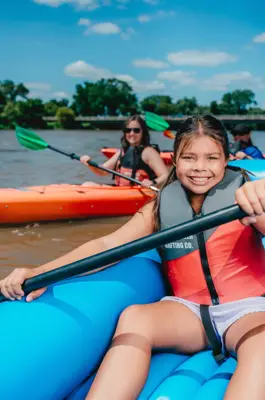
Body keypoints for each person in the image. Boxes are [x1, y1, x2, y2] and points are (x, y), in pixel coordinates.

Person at [2, 115, 265, 400]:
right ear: (174, 161)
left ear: (226, 159)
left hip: (246, 311)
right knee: (135, 317)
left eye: (211, 158)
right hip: (189, 313)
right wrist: (40, 271)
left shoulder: (247, 193)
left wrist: (260, 204)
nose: (200, 168)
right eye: (189, 157)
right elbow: (109, 243)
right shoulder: (160, 207)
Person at [80, 115, 169, 188]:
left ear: (143, 132)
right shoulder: (122, 152)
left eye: (136, 130)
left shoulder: (149, 152)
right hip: (121, 192)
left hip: (140, 194)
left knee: (87, 185)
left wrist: (152, 182)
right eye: (128, 130)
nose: (132, 133)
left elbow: (165, 175)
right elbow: (102, 171)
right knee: (87, 185)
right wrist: (89, 163)